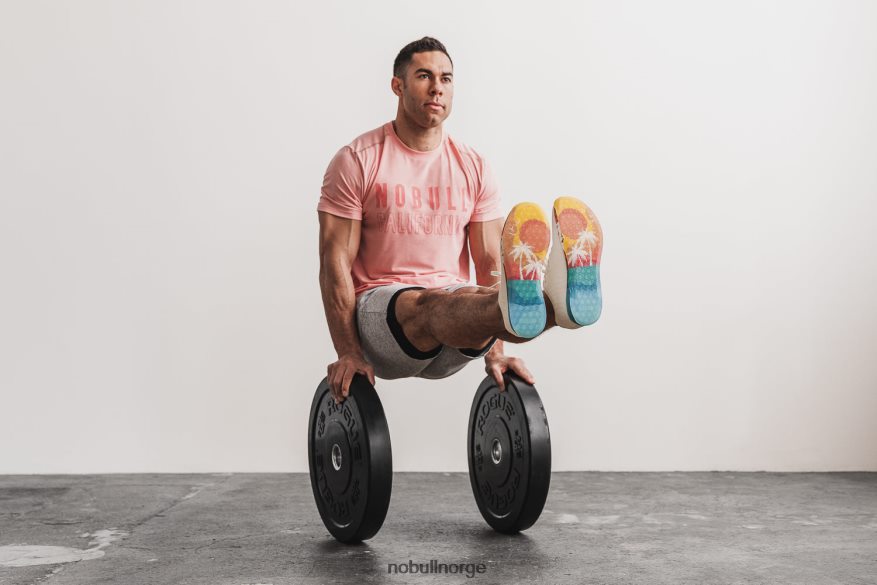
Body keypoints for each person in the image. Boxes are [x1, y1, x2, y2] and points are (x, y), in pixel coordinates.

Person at [317, 37, 603, 403]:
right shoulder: (358, 159)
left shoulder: (473, 166)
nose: (437, 87)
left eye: (446, 78)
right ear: (397, 86)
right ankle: (553, 300)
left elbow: (488, 261)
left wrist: (496, 354)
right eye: (424, 76)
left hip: (456, 327)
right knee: (431, 302)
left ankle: (560, 305)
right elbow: (334, 261)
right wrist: (348, 352)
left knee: (480, 297)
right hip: (382, 321)